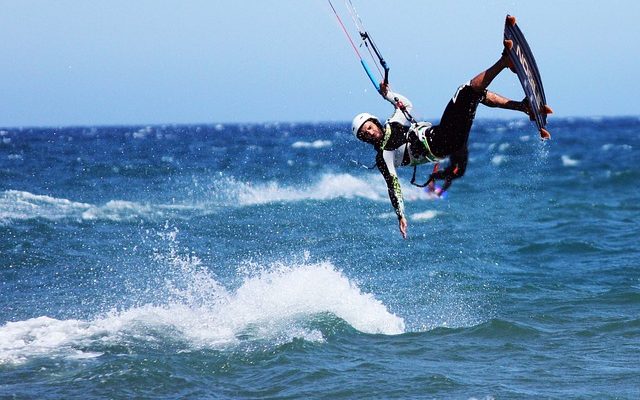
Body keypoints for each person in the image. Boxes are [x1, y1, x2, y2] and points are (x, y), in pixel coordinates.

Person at [352, 49, 531, 239]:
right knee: (465, 90)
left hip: (446, 137)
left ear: (374, 122)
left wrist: (388, 95)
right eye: (365, 134)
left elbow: (406, 105)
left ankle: (523, 106)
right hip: (440, 142)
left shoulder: (393, 123)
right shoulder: (383, 156)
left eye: (369, 127)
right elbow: (393, 185)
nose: (369, 133)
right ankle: (504, 61)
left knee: (474, 94)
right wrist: (401, 215)